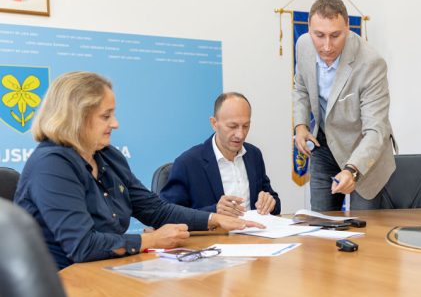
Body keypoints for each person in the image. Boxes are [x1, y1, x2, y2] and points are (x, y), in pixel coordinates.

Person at [14, 72, 263, 270]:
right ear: (76, 117)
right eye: (106, 116)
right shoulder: (51, 165)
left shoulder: (108, 156)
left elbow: (156, 209)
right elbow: (82, 245)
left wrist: (213, 219)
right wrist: (151, 240)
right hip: (57, 286)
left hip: (103, 271)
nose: (115, 123)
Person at [293, 0, 396, 211]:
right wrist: (300, 126)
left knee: (363, 226)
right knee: (320, 221)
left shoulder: (371, 63)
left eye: (335, 35)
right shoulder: (303, 45)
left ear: (347, 28)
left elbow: (376, 130)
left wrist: (352, 170)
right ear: (309, 28)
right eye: (319, 35)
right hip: (323, 145)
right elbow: (301, 87)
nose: (327, 46)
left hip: (363, 152)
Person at [160, 92, 280, 216]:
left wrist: (270, 203)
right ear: (214, 124)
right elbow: (167, 214)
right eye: (232, 126)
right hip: (215, 229)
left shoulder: (254, 155)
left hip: (254, 228)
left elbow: (273, 201)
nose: (240, 135)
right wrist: (213, 213)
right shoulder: (187, 163)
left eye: (246, 126)